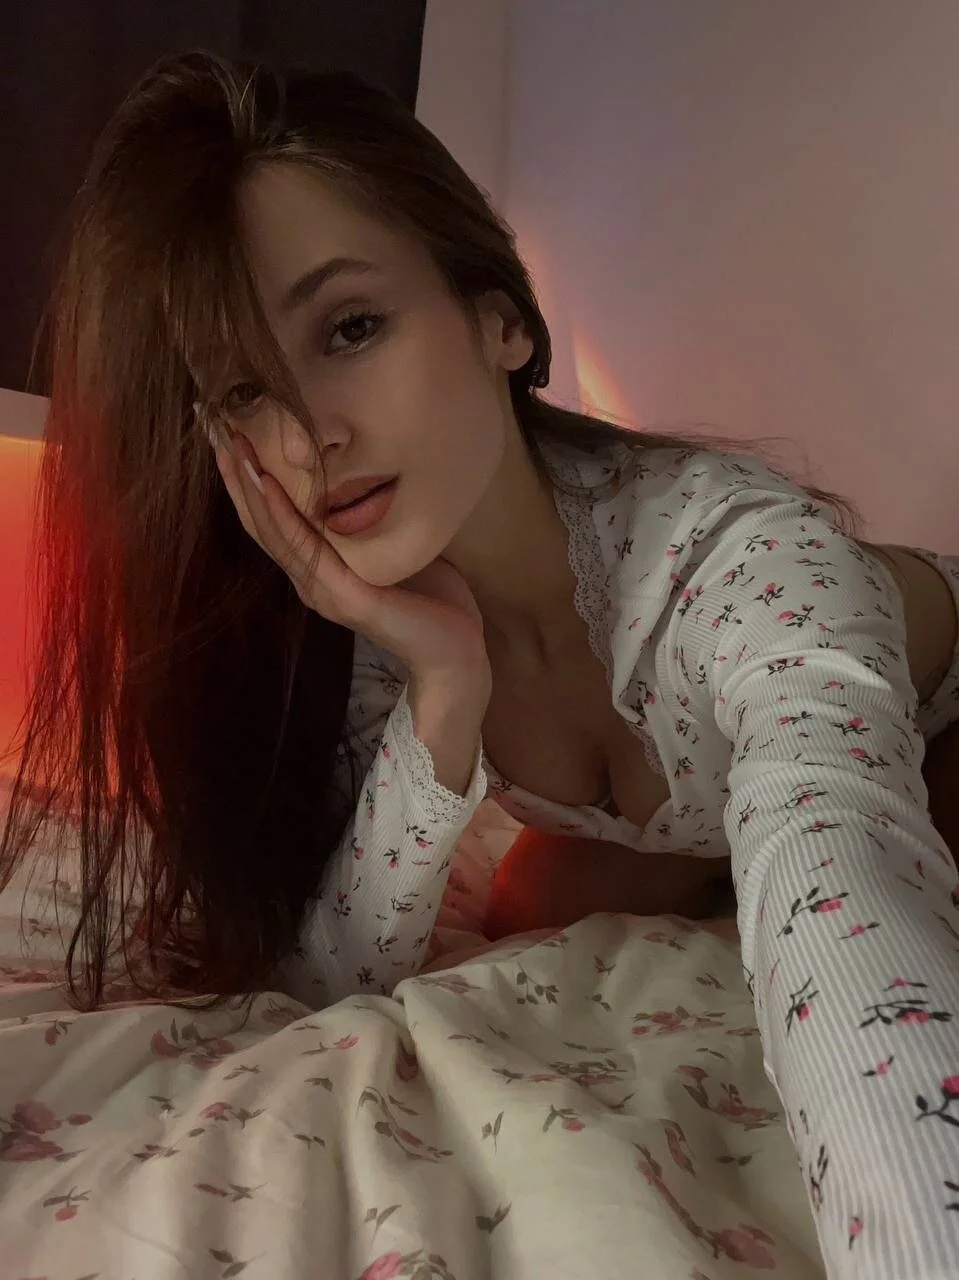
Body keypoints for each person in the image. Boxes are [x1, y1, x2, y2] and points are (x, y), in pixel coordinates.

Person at [1, 50, 958, 1278]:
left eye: (350, 328)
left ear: (500, 318)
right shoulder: (378, 641)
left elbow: (846, 903)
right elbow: (329, 973)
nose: (309, 431)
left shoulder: (745, 562)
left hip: (929, 735)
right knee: (530, 905)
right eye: (243, 389)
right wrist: (442, 689)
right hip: (697, 814)